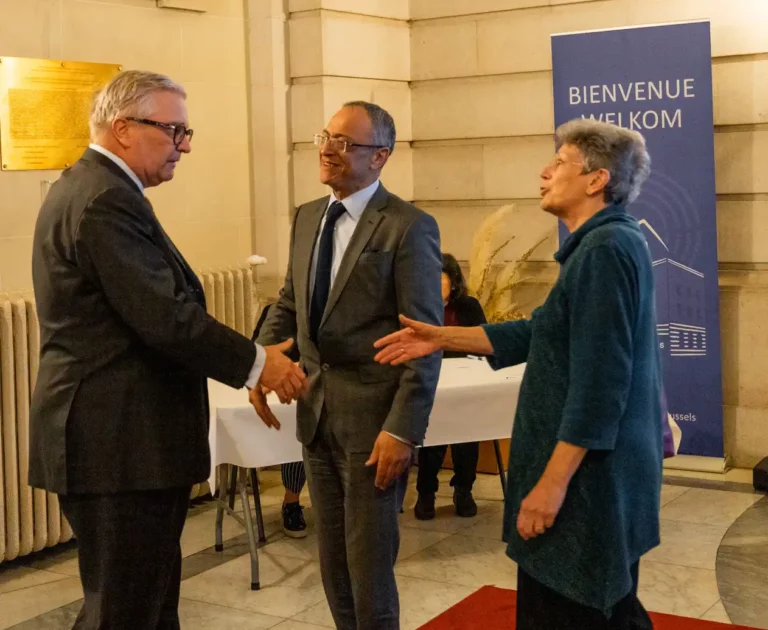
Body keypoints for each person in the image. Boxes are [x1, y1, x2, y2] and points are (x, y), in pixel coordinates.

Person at [28, 70, 306, 630]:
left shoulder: (93, 187)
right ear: (124, 128)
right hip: (118, 444)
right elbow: (166, 319)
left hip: (122, 442)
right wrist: (258, 364)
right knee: (126, 610)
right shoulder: (105, 198)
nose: (186, 145)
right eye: (174, 130)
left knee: (148, 603)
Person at [374, 118, 661, 630]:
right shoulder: (605, 244)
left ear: (596, 180)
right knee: (608, 609)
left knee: (574, 611)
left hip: (586, 486)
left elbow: (600, 386)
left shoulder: (604, 251)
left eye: (559, 163)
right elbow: (538, 331)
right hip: (598, 479)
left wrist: (551, 486)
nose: (544, 173)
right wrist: (439, 337)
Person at [255, 101, 443, 629]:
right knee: (333, 563)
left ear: (380, 156)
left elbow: (421, 338)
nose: (326, 150)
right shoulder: (308, 216)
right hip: (316, 414)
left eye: (344, 143)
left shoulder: (408, 227)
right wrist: (263, 362)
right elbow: (290, 302)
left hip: (373, 424)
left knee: (369, 565)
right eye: (325, 137)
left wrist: (403, 430)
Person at [414, 253, 486, 521]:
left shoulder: (468, 306)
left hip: (465, 385)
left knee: (467, 436)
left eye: (439, 278)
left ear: (453, 282)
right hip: (429, 385)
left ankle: (464, 489)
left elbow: (482, 340)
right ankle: (426, 492)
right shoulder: (417, 308)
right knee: (431, 438)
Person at [253, 303, 308, 538]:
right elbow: (260, 351)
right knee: (295, 430)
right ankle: (291, 502)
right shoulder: (276, 312)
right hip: (282, 399)